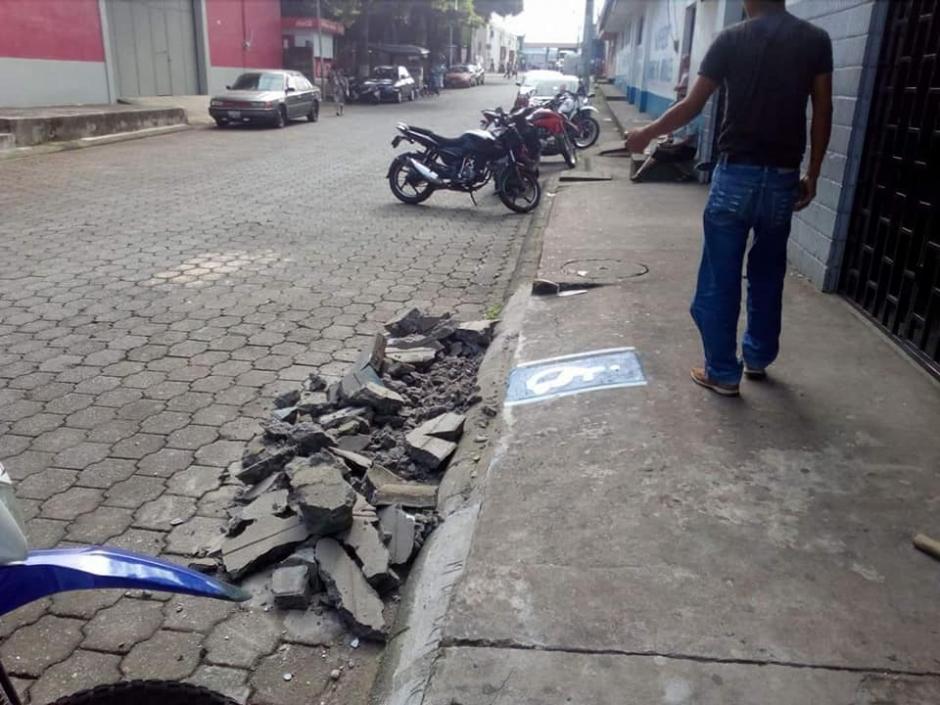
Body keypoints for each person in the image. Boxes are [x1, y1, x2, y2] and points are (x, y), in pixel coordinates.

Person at [626, 0, 832, 397]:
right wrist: (814, 173)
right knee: (768, 271)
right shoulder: (815, 39)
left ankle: (721, 371)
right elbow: (823, 110)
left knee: (720, 276)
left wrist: (647, 133)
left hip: (736, 175)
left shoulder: (730, 39)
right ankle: (758, 357)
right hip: (783, 179)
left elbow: (692, 105)